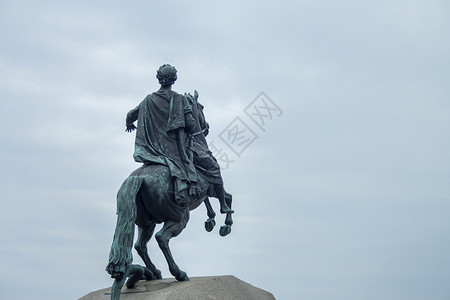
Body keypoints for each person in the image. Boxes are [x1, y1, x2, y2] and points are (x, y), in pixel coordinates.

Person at [125, 64, 197, 204]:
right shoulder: (180, 99)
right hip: (173, 153)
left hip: (149, 153)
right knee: (189, 165)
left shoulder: (148, 99)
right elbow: (190, 126)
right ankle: (187, 189)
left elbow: (130, 115)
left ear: (159, 78)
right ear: (174, 79)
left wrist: (129, 124)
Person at [185, 91, 233, 214]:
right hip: (190, 146)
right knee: (215, 168)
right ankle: (223, 205)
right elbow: (191, 125)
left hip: (174, 147)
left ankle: (210, 210)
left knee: (202, 174)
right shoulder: (188, 109)